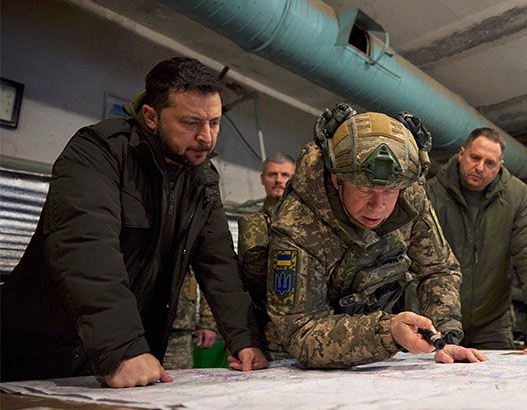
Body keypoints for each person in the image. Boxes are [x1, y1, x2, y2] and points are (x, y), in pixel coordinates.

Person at [0, 57, 267, 387]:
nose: (206, 138)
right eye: (191, 123)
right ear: (151, 117)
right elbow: (86, 248)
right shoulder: (99, 152)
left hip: (126, 361)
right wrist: (122, 347)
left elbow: (220, 265)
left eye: (214, 123)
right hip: (44, 354)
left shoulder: (202, 181)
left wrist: (246, 339)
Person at [266, 104, 487, 368]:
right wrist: (387, 332)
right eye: (363, 189)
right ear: (338, 180)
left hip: (372, 353)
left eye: (389, 192)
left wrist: (445, 336)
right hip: (293, 359)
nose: (378, 206)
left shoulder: (410, 196)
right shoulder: (298, 224)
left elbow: (439, 270)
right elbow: (299, 330)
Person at [426, 127, 527, 352]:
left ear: (500, 165)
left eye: (490, 163)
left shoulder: (517, 197)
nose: (480, 168)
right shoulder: (430, 193)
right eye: (475, 158)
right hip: (435, 318)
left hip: (491, 323)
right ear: (461, 154)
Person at [237, 153, 296, 335]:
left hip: (299, 323)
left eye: (285, 175)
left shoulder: (310, 224)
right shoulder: (251, 225)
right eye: (272, 174)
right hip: (260, 324)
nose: (278, 180)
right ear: (263, 179)